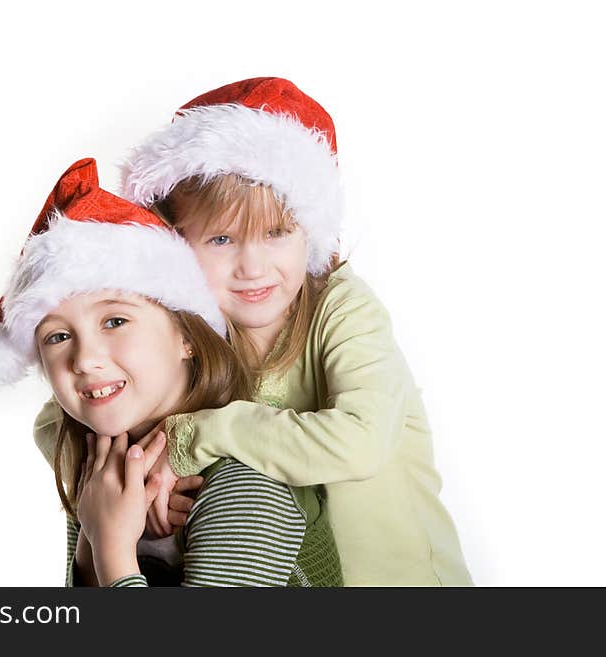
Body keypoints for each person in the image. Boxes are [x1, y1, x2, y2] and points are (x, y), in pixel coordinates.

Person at [37, 77, 473, 585]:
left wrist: (184, 441)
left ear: (309, 231)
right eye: (221, 238)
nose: (253, 267)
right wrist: (140, 479)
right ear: (177, 244)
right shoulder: (191, 328)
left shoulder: (340, 306)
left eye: (277, 233)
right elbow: (61, 421)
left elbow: (362, 440)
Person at [0, 157, 343, 587]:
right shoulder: (101, 471)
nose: (85, 359)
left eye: (115, 321)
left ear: (187, 337)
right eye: (57, 337)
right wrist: (92, 537)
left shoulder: (245, 485)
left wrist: (111, 546)